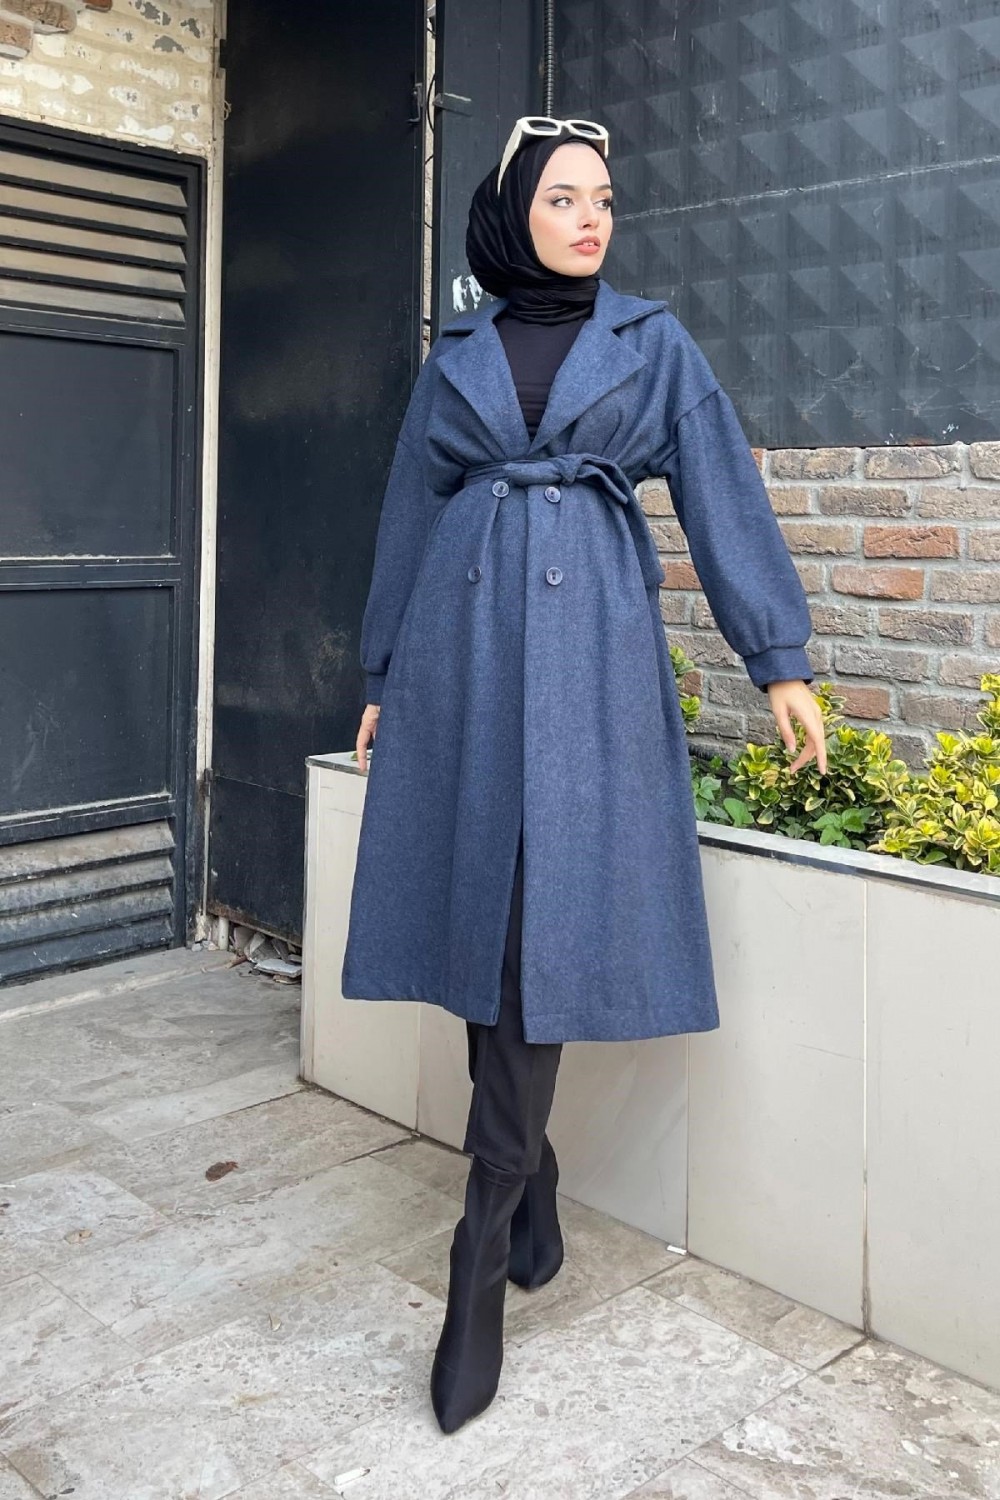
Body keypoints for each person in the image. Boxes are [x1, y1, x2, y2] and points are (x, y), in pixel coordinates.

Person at [341, 116, 827, 1434]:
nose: (591, 217)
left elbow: (720, 492)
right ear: (513, 213)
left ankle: (481, 1238)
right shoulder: (457, 357)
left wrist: (777, 659)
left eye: (604, 198)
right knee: (481, 923)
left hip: (591, 659)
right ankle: (534, 1177)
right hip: (460, 661)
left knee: (533, 929)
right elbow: (408, 510)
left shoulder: (653, 345)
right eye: (563, 198)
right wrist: (382, 673)